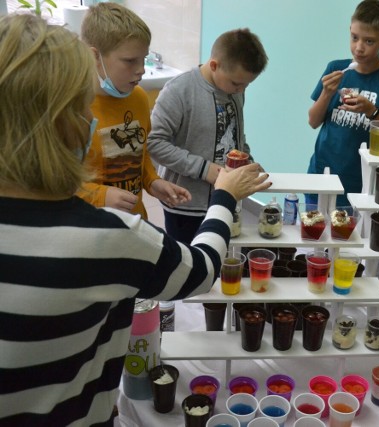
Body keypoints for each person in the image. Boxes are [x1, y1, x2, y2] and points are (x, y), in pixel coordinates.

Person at [0, 14, 270, 425]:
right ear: (60, 123)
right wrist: (225, 196)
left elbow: (142, 153)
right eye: (80, 108)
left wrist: (151, 183)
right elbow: (199, 271)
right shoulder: (106, 239)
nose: (88, 120)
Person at [148, 28, 268, 243]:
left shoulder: (234, 92)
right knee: (188, 269)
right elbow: (155, 143)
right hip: (187, 206)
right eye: (236, 83)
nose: (241, 91)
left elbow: (235, 134)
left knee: (219, 266)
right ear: (214, 65)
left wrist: (248, 161)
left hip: (226, 201)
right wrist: (205, 170)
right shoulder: (179, 90)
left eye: (247, 85)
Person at [76, 2, 191, 220]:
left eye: (143, 59)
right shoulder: (71, 109)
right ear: (94, 57)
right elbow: (55, 184)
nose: (141, 70)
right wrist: (101, 196)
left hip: (134, 224)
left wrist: (152, 181)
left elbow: (140, 153)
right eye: (130, 61)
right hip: (90, 230)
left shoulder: (138, 97)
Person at [306, 0, 379, 207]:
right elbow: (313, 121)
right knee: (312, 231)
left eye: (369, 41)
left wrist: (372, 111)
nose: (359, 48)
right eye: (354, 38)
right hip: (321, 172)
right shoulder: (336, 68)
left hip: (362, 181)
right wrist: (326, 93)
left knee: (348, 236)